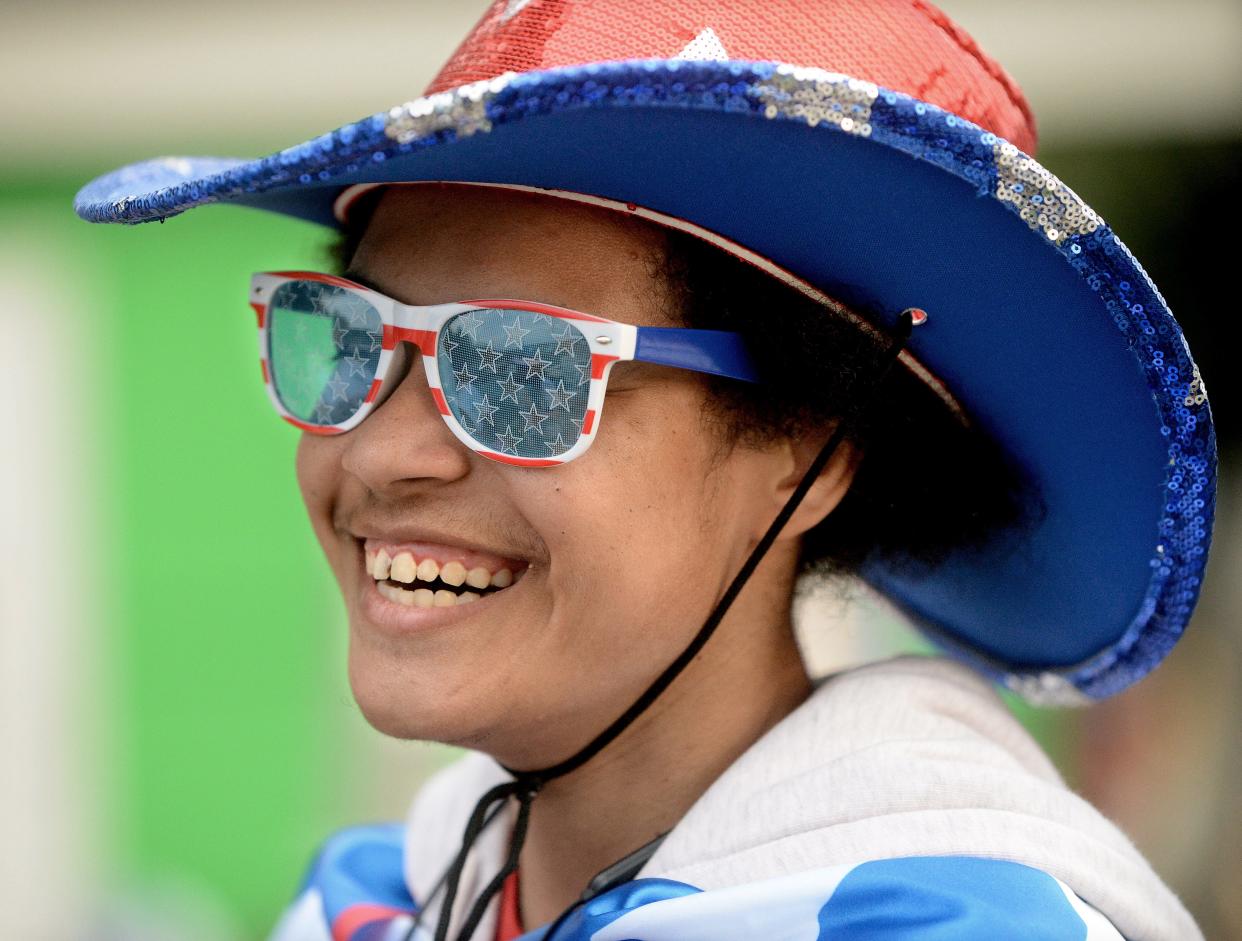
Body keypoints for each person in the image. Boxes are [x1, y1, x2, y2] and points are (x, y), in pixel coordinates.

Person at [75, 1, 1216, 939]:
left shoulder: (953, 919)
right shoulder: (379, 902)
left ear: (807, 445)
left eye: (523, 368)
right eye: (349, 334)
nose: (379, 452)